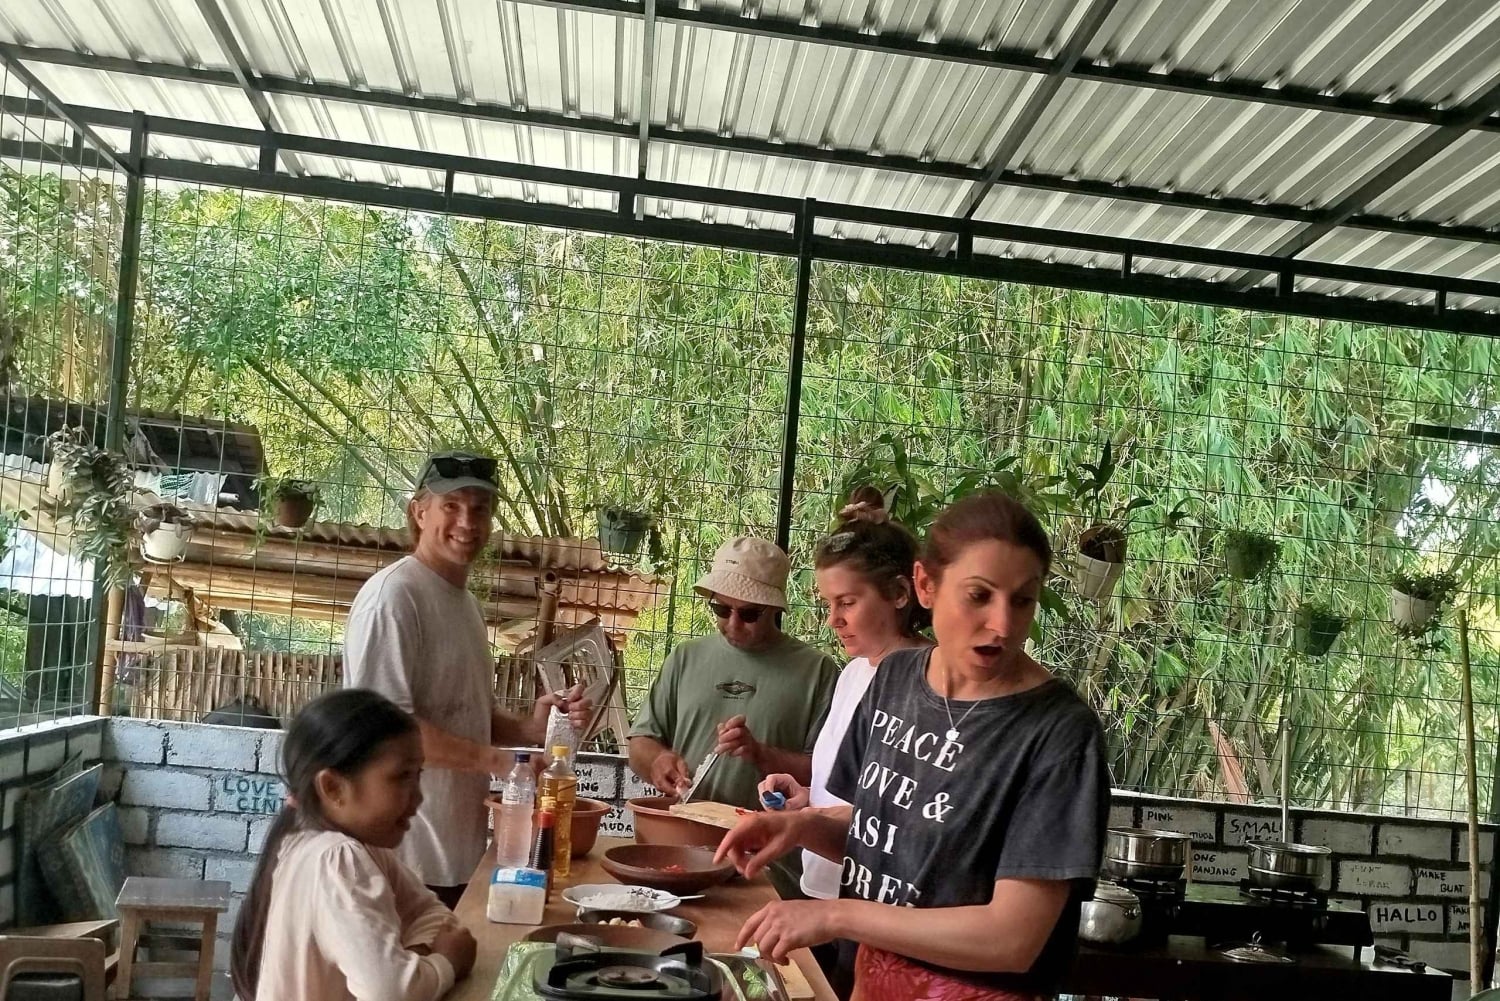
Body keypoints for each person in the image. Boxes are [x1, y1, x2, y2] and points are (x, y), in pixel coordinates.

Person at [717, 492, 1110, 1001]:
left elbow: (1012, 939)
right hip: (873, 981)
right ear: (926, 585)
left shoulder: (1058, 733)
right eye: (979, 595)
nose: (1003, 624)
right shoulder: (896, 678)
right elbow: (886, 837)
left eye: (1022, 600)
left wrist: (836, 914)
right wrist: (799, 827)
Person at [344, 450, 591, 907]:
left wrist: (530, 728)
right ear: (419, 512)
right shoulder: (393, 598)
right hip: (402, 861)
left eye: (480, 509)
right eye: (451, 506)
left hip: (457, 855)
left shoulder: (466, 605)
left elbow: (464, 713)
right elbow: (386, 732)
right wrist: (499, 763)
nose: (467, 522)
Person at [755, 487, 930, 997]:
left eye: (847, 603)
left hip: (878, 906)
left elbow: (901, 813)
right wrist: (805, 800)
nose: (834, 620)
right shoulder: (854, 673)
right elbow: (856, 786)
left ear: (900, 594)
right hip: (825, 881)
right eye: (829, 604)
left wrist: (806, 821)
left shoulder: (924, 681)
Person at [231, 688, 477, 1001]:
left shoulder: (337, 847)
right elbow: (391, 993)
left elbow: (433, 914)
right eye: (402, 776)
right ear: (333, 787)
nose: (418, 797)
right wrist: (445, 963)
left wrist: (411, 961)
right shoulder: (336, 859)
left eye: (418, 775)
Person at [628, 535, 841, 896]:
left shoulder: (817, 672)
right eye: (721, 609)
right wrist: (658, 760)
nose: (733, 623)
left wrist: (760, 753)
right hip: (684, 856)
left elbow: (825, 780)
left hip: (770, 868)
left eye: (749, 613)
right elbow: (640, 744)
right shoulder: (686, 658)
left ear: (774, 608)